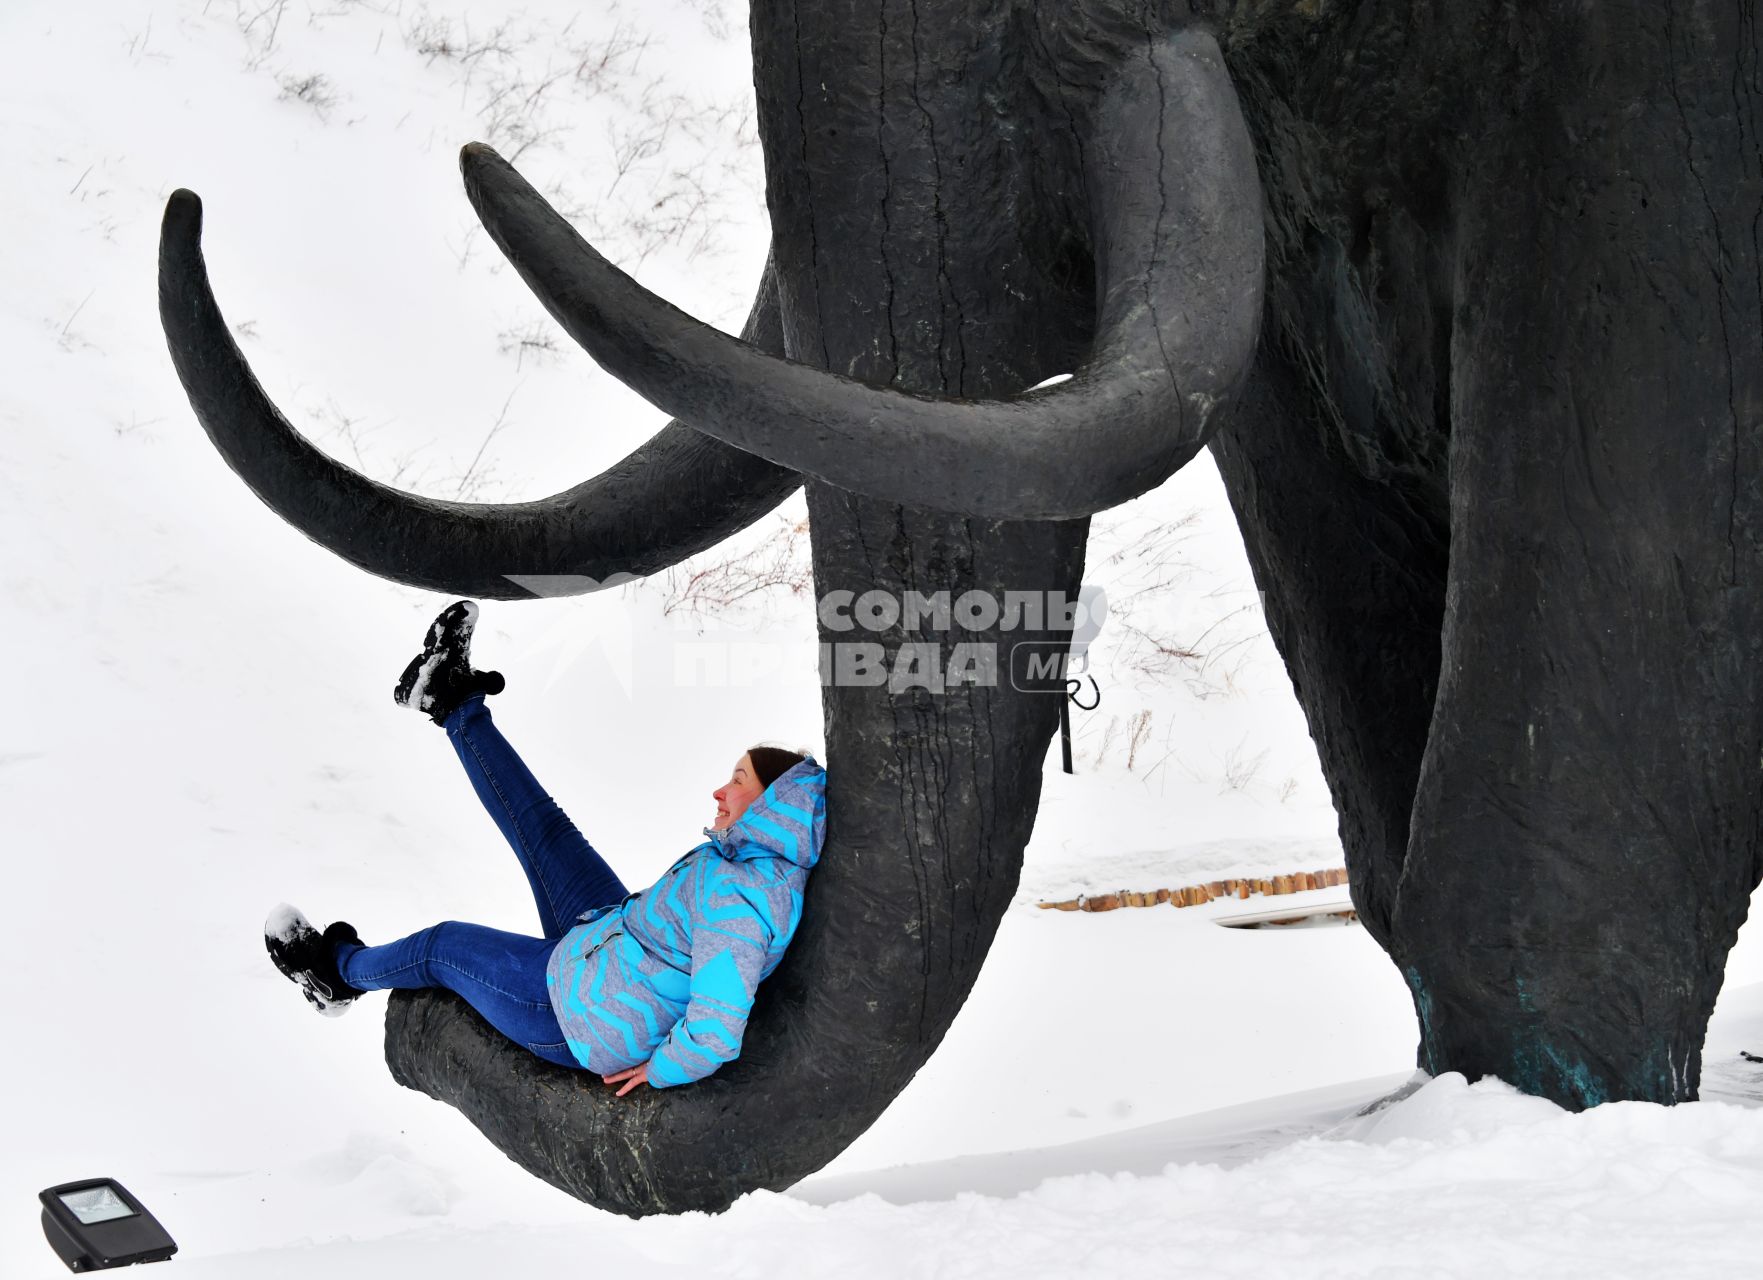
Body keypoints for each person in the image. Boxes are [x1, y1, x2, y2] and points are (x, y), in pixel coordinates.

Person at [263, 600, 827, 1097]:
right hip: (607, 937)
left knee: (442, 947)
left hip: (571, 1013)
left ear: (771, 803)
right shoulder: (748, 862)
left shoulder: (746, 901)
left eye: (738, 780)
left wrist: (661, 1071)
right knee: (545, 829)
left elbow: (717, 1029)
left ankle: (333, 974)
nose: (720, 790)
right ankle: (448, 697)